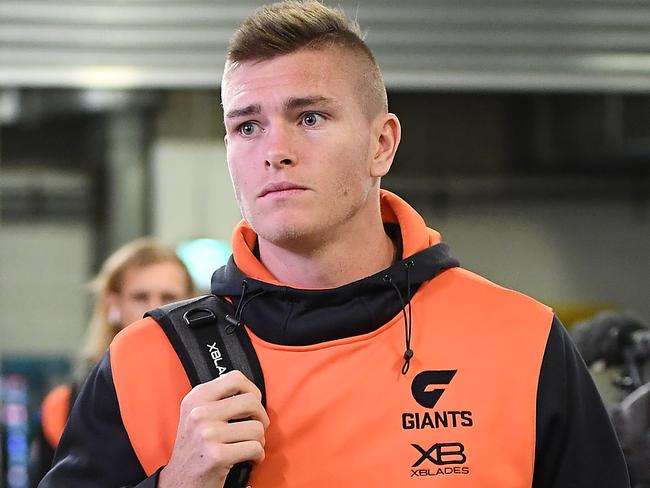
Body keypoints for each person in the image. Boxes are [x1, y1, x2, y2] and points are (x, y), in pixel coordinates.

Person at [39, 1, 630, 487]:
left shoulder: (520, 342)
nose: (275, 150)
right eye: (247, 125)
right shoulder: (147, 362)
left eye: (311, 117)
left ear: (382, 143)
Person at [31, 238, 196, 484]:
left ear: (190, 302)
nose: (155, 309)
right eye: (140, 297)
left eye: (168, 296)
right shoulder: (61, 409)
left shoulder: (209, 388)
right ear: (113, 304)